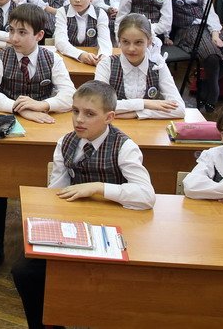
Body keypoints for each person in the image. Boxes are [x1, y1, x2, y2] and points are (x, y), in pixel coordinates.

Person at [11, 81, 156, 329]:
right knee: (24, 271)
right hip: (77, 226)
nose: (79, 119)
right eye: (75, 111)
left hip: (115, 232)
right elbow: (56, 191)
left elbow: (146, 195)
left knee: (107, 282)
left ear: (109, 117)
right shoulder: (66, 142)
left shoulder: (124, 147)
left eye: (90, 114)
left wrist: (98, 187)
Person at [0, 3, 76, 283]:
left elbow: (70, 95)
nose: (14, 38)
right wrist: (21, 109)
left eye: (22, 32)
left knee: (47, 182)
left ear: (40, 35)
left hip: (43, 137)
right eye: (11, 31)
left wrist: (42, 105)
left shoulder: (52, 59)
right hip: (8, 136)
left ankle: (46, 241)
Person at [95, 14, 185, 119]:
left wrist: (139, 113)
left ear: (149, 41)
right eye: (125, 42)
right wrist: (145, 103)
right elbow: (99, 105)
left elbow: (180, 109)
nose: (131, 49)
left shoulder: (158, 66)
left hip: (147, 127)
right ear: (119, 40)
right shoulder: (106, 64)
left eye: (138, 42)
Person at [54, 0, 112, 66]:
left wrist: (102, 57)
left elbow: (105, 42)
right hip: (68, 59)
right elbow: (60, 41)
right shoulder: (62, 12)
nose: (77, 0)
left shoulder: (100, 14)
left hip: (93, 60)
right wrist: (80, 55)